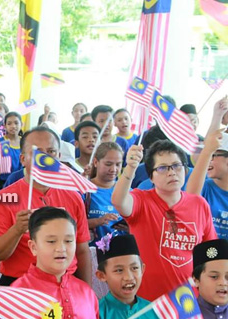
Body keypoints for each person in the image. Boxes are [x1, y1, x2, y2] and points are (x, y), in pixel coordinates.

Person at [111, 140, 217, 301]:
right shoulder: (141, 200)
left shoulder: (199, 204)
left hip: (188, 302)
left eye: (176, 165)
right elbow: (119, 201)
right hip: (146, 301)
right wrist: (130, 168)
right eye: (162, 168)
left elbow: (211, 253)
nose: (171, 172)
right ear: (151, 177)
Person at [0, 127, 92, 286]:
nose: (45, 158)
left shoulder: (74, 197)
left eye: (51, 152)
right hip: (21, 287)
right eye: (37, 152)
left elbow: (82, 250)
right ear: (22, 159)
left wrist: (87, 294)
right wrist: (17, 230)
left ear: (59, 157)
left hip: (67, 285)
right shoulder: (3, 199)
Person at [186, 99, 228, 240]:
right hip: (206, 256)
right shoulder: (204, 187)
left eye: (214, 155)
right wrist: (217, 115)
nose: (208, 159)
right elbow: (190, 198)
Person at [86, 142, 125, 244]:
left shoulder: (127, 192)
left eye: (118, 164)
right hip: (92, 253)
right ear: (95, 162)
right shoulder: (84, 190)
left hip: (121, 253)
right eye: (108, 164)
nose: (113, 169)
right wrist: (98, 221)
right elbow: (73, 224)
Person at [0, 112, 23, 187]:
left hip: (20, 181)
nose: (13, 126)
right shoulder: (0, 141)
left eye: (16, 123)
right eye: (9, 124)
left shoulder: (24, 142)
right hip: (4, 181)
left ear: (21, 124)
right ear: (5, 126)